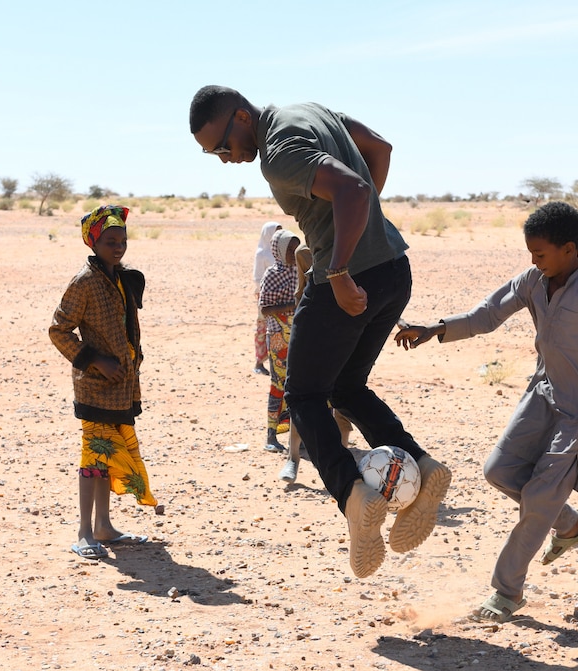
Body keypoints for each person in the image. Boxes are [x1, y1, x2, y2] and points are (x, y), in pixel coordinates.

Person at [189, 86, 451, 578]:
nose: (225, 160)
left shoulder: (278, 153)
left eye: (222, 147)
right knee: (347, 387)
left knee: (303, 396)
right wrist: (364, 229)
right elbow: (379, 149)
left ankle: (356, 499)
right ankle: (424, 465)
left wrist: (341, 265)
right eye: (213, 156)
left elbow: (351, 189)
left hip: (347, 282)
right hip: (394, 269)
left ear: (241, 117)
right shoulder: (306, 112)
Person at [395, 202, 578, 622]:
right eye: (531, 254)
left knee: (539, 497)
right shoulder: (533, 280)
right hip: (543, 392)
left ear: (569, 249)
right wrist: (435, 329)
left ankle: (506, 592)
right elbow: (487, 314)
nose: (534, 261)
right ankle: (571, 524)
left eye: (540, 254)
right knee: (499, 471)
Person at [50, 205, 156, 560]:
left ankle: (104, 527)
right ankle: (84, 532)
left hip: (122, 386)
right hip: (96, 386)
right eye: (110, 241)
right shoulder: (84, 282)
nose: (118, 247)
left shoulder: (120, 279)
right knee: (93, 457)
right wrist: (95, 360)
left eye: (122, 240)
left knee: (107, 457)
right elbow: (58, 330)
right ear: (93, 242)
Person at [260, 228, 300, 454]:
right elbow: (265, 309)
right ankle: (271, 435)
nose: (294, 254)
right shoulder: (272, 274)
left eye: (296, 248)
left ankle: (299, 435)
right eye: (290, 249)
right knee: (278, 384)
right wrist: (290, 307)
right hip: (277, 337)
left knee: (299, 385)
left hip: (299, 335)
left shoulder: (302, 270)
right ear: (279, 250)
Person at [252, 221, 281, 375]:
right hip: (265, 296)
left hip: (281, 296)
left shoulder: (281, 250)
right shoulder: (262, 253)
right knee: (263, 328)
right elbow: (257, 278)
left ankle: (277, 362)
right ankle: (259, 362)